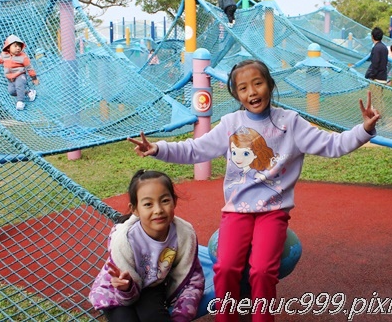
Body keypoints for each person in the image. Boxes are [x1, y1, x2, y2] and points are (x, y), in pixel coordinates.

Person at [128, 59, 379, 322]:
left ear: (270, 85)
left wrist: (364, 129)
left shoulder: (289, 123)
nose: (252, 92)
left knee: (261, 272)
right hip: (237, 211)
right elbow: (195, 149)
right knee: (225, 269)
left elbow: (332, 145)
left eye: (258, 84)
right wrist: (158, 149)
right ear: (237, 94)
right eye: (244, 88)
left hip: (273, 212)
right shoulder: (230, 123)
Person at [88, 169, 205, 322]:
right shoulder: (125, 241)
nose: (158, 210)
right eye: (148, 204)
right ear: (135, 209)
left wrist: (181, 316)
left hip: (152, 286)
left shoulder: (183, 235)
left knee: (154, 316)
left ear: (174, 201)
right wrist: (126, 288)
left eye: (164, 201)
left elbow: (192, 279)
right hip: (117, 290)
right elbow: (122, 288)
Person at [0, 34, 39, 111]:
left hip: (20, 75)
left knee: (19, 85)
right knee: (12, 92)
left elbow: (29, 67)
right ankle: (29, 92)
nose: (18, 48)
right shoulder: (4, 55)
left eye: (19, 46)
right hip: (10, 78)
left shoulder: (23, 56)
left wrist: (34, 78)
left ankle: (20, 102)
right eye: (15, 46)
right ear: (8, 47)